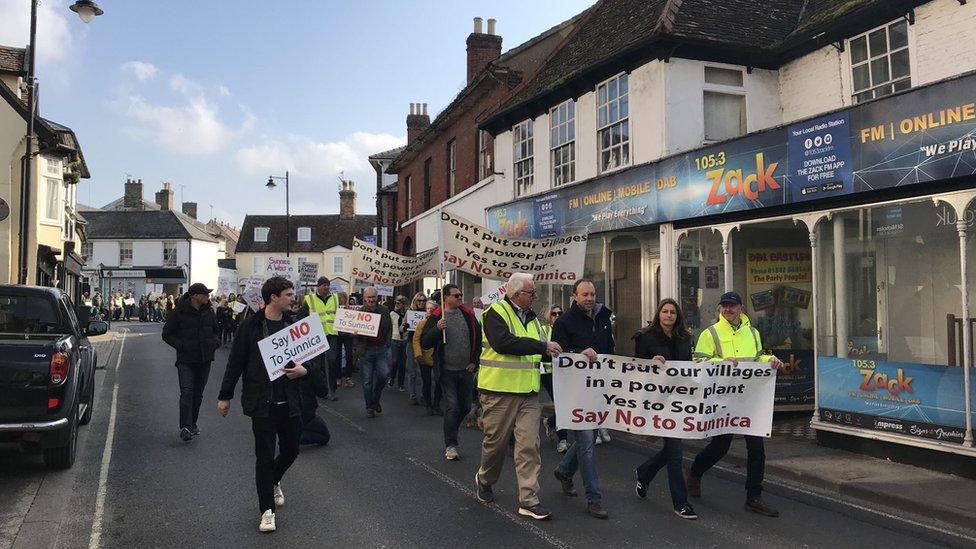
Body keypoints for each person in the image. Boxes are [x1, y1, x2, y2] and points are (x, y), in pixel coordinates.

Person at [217, 276, 312, 533]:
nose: (294, 299)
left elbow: (309, 361)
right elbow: (235, 362)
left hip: (289, 401)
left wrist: (305, 371)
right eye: (289, 295)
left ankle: (275, 479)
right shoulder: (250, 326)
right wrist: (225, 396)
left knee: (291, 450)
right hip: (262, 402)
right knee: (264, 457)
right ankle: (267, 511)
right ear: (274, 297)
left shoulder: (294, 325)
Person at [686, 291, 784, 518]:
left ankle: (754, 497)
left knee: (757, 449)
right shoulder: (710, 333)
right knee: (720, 447)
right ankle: (695, 471)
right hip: (723, 400)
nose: (727, 309)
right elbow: (698, 362)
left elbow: (758, 357)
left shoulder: (753, 332)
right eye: (724, 306)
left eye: (732, 306)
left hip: (748, 401)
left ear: (740, 308)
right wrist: (722, 362)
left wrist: (770, 360)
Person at [475, 273, 561, 521]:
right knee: (496, 445)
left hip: (528, 394)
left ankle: (529, 499)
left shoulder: (535, 321)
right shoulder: (495, 313)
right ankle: (484, 478)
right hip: (498, 391)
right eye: (531, 293)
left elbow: (546, 350)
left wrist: (572, 355)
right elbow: (504, 343)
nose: (535, 297)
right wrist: (542, 347)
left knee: (529, 446)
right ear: (516, 295)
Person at [550, 279, 614, 519]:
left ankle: (565, 470)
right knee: (587, 443)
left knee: (593, 436)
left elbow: (610, 351)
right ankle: (594, 498)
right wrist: (579, 354)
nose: (589, 298)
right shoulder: (565, 322)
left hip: (598, 390)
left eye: (593, 294)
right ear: (575, 296)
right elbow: (557, 356)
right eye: (585, 294)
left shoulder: (604, 318)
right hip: (576, 392)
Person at [633, 298, 698, 520]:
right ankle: (681, 503)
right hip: (657, 400)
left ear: (677, 316)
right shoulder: (645, 337)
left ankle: (644, 472)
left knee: (673, 450)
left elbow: (688, 366)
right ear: (658, 314)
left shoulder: (685, 338)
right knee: (676, 453)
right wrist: (651, 362)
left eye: (672, 312)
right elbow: (636, 367)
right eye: (665, 311)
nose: (669, 315)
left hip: (678, 400)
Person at [421, 284, 481, 461]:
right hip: (447, 371)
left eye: (460, 295)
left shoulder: (468, 315)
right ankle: (450, 444)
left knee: (464, 407)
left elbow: (477, 339)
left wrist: (474, 362)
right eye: (456, 295)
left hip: (466, 370)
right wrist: (437, 329)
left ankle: (452, 429)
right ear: (446, 297)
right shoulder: (437, 317)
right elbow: (425, 342)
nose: (459, 298)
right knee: (452, 406)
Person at [162, 283, 220, 442]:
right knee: (187, 392)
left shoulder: (209, 311)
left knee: (198, 394)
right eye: (205, 294)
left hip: (205, 359)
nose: (208, 297)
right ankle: (185, 427)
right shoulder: (179, 312)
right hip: (186, 360)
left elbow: (216, 330)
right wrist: (181, 346)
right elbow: (167, 334)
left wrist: (215, 343)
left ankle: (193, 423)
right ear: (194, 296)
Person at [298, 277, 340, 398]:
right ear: (318, 286)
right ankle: (323, 389)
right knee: (318, 364)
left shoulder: (335, 298)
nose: (326, 287)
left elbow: (340, 315)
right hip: (316, 336)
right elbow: (301, 317)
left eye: (328, 285)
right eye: (324, 285)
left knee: (332, 361)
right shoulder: (309, 299)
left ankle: (333, 388)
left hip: (332, 334)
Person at [356, 287, 393, 418]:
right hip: (366, 351)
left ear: (376, 297)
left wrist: (387, 343)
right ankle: (369, 407)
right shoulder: (359, 313)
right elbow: (352, 334)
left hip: (381, 349)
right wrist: (355, 333)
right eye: (368, 297)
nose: (371, 300)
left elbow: (389, 327)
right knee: (367, 381)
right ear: (364, 298)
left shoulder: (384, 310)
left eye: (373, 297)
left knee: (384, 375)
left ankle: (375, 399)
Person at [540, 305, 570, 453]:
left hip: (565, 373)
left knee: (565, 404)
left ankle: (550, 421)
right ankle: (562, 440)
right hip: (548, 373)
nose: (557, 315)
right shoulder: (544, 330)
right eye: (554, 313)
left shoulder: (566, 329)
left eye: (560, 313)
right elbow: (540, 351)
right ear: (548, 316)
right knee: (561, 405)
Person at [414, 299, 442, 415]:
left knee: (439, 381)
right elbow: (416, 340)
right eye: (428, 309)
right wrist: (418, 354)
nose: (430, 311)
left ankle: (436, 404)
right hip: (425, 357)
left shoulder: (440, 323)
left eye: (433, 309)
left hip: (437, 357)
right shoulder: (422, 323)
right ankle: (428, 405)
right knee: (427, 382)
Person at [403, 292, 427, 405]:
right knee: (412, 371)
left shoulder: (428, 313)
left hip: (424, 344)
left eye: (423, 301)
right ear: (415, 301)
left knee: (422, 371)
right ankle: (413, 394)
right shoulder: (410, 313)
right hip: (411, 343)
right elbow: (401, 328)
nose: (422, 302)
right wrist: (405, 327)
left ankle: (423, 394)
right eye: (419, 301)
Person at [389, 295, 409, 392]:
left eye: (398, 303)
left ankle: (401, 384)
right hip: (395, 339)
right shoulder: (392, 314)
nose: (396, 305)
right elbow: (389, 327)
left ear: (403, 305)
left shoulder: (407, 314)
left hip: (404, 340)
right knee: (395, 361)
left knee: (403, 363)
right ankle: (392, 377)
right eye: (396, 303)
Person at [336, 292, 356, 388]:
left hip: (347, 335)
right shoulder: (335, 308)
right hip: (338, 334)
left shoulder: (349, 308)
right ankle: (339, 377)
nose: (342, 300)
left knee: (348, 356)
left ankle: (346, 378)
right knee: (339, 356)